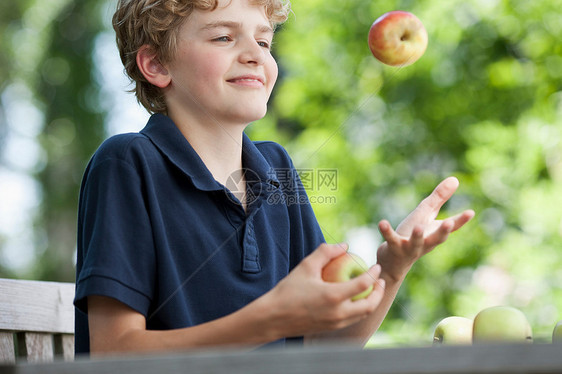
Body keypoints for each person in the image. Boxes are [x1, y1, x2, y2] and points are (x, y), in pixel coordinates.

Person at [74, 0, 475, 355]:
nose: (255, 55)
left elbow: (319, 346)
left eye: (264, 42)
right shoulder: (128, 163)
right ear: (156, 64)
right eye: (223, 38)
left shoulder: (277, 171)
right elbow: (114, 352)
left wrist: (390, 269)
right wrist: (270, 319)